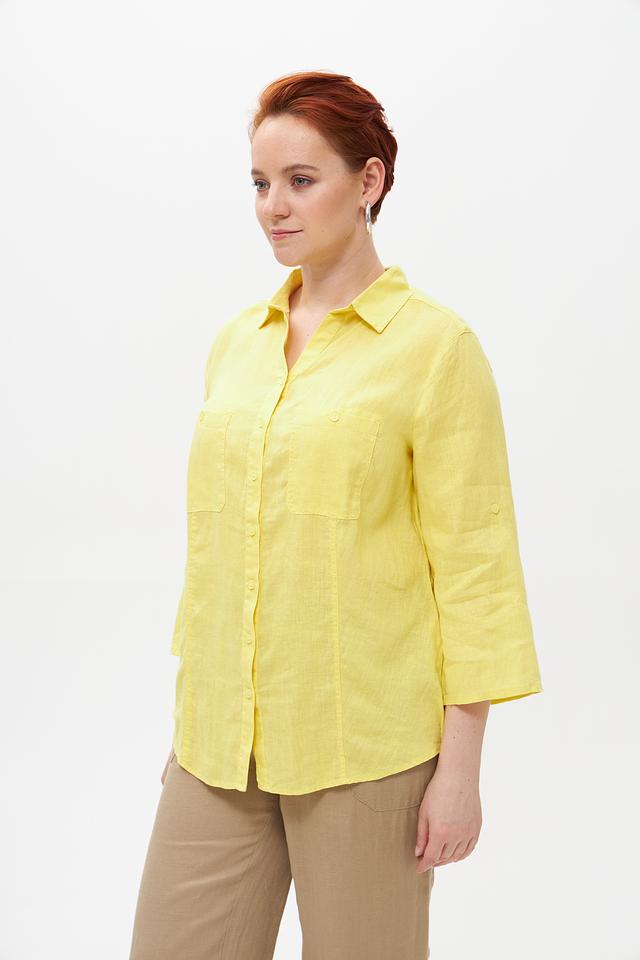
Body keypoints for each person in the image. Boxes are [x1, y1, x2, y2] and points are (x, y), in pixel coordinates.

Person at [129, 70, 543, 960]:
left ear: (369, 181)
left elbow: (476, 568)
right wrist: (192, 721)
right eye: (259, 183)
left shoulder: (435, 348)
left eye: (300, 180)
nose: (273, 206)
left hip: (366, 747)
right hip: (218, 744)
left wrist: (459, 771)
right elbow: (218, 552)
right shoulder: (237, 344)